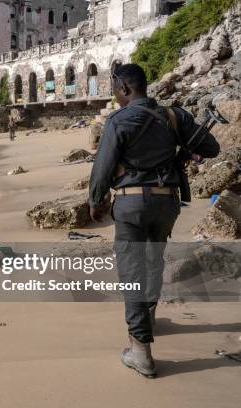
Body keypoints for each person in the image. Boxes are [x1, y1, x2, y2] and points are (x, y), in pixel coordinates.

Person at [89, 63, 220, 379]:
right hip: (167, 203)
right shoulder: (175, 116)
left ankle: (141, 351)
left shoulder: (119, 120)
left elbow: (102, 167)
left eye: (114, 90)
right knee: (153, 262)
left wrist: (95, 202)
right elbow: (211, 148)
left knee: (132, 272)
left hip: (131, 204)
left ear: (124, 89)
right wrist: (187, 148)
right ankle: (148, 317)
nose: (115, 96)